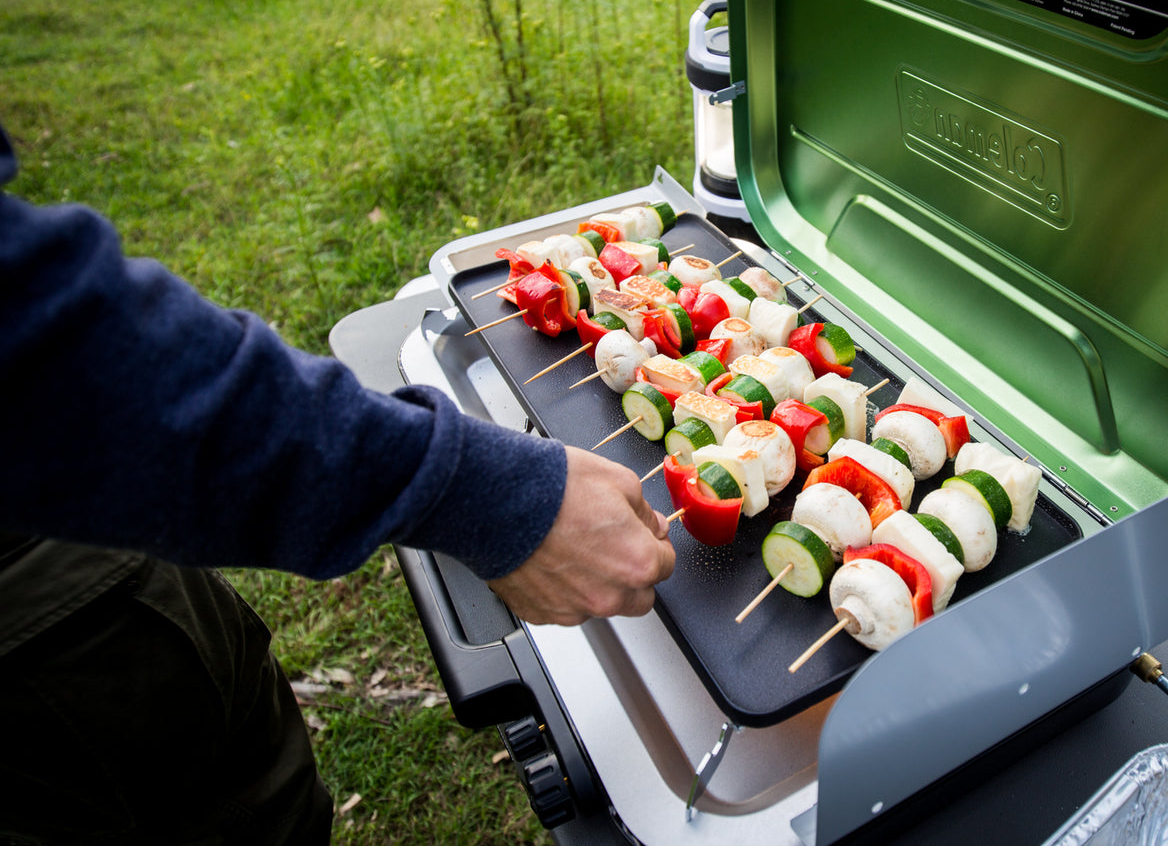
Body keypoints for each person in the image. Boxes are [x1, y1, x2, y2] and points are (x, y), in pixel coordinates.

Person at [0, 122, 676, 845]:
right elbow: (45, 343)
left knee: (252, 797)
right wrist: (472, 492)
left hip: (59, 536)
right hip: (37, 634)